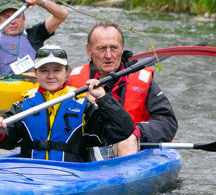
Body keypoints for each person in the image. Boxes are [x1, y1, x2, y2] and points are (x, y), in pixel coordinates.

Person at [0, 44, 134, 162]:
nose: (50, 76)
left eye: (57, 70)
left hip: (71, 176)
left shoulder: (84, 106)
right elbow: (7, 139)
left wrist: (103, 97)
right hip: (31, 177)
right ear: (36, 73)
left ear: (66, 72)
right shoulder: (23, 106)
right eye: (44, 70)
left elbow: (123, 130)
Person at [68, 23, 177, 156]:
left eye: (114, 48)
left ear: (122, 48)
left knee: (127, 139)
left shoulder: (141, 79)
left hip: (129, 149)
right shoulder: (74, 79)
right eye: (101, 48)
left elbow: (167, 122)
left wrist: (137, 134)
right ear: (89, 50)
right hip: (88, 149)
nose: (108, 55)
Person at [0, 0, 69, 76]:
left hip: (33, 85)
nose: (13, 22)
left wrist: (39, 1)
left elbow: (62, 15)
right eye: (8, 17)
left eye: (17, 16)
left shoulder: (34, 34)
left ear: (24, 19)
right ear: (0, 21)